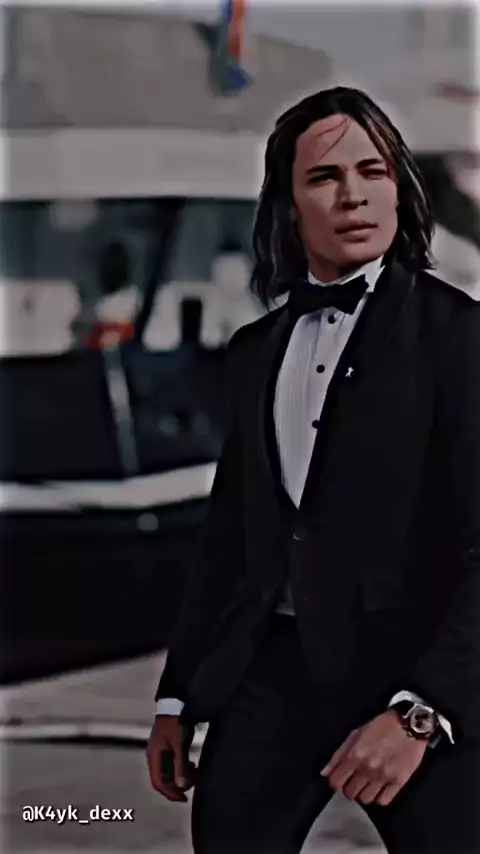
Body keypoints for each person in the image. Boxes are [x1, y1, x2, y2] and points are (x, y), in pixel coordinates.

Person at [146, 86, 480, 853]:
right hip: (273, 678)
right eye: (325, 177)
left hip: (415, 682)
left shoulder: (460, 339)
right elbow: (230, 537)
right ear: (288, 205)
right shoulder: (256, 351)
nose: (353, 195)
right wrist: (178, 696)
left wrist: (420, 712)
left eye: (373, 171)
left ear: (400, 188)